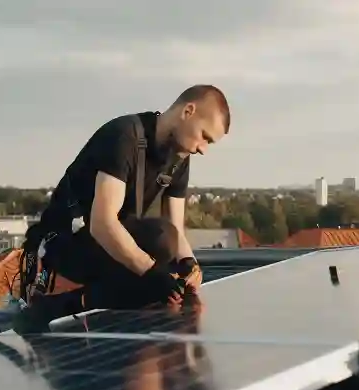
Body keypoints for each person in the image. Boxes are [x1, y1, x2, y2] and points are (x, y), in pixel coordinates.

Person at [16, 85, 231, 331]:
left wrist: (189, 266)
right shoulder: (125, 137)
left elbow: (177, 229)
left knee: (169, 274)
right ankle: (62, 306)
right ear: (188, 111)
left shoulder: (179, 158)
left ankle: (56, 307)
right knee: (159, 245)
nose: (203, 148)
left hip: (106, 247)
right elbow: (103, 224)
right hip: (63, 243)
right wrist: (152, 274)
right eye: (205, 136)